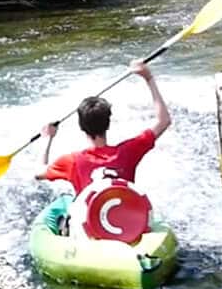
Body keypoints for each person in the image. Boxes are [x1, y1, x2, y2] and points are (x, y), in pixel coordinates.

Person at [36, 60, 171, 235]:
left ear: (81, 127)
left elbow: (38, 173)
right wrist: (148, 78)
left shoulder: (71, 161)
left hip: (88, 233)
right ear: (108, 124)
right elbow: (164, 121)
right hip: (127, 227)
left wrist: (47, 139)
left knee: (66, 216)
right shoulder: (129, 151)